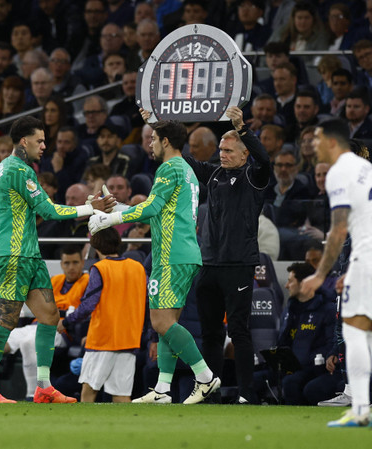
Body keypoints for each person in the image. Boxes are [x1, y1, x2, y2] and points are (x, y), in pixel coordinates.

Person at [0, 116, 115, 404]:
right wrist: (90, 208)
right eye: (39, 140)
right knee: (6, 320)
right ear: (23, 141)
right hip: (14, 255)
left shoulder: (10, 169)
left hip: (29, 254)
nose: (44, 145)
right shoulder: (18, 170)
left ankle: (43, 386)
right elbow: (49, 211)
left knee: (50, 317)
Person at [89, 113, 220, 405]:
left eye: (152, 138)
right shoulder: (184, 169)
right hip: (183, 252)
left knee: (161, 322)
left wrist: (111, 218)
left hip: (171, 254)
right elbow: (158, 208)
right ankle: (162, 389)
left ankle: (205, 377)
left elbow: (150, 209)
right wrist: (117, 208)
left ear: (165, 141)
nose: (148, 143)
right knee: (167, 322)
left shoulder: (168, 168)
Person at [301, 119, 372, 427]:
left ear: (334, 142)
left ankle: (360, 408)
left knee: (354, 332)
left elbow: (338, 230)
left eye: (318, 138)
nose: (313, 145)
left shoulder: (339, 172)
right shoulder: (368, 170)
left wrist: (321, 274)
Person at [180, 107, 271, 404]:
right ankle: (210, 392)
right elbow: (182, 162)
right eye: (221, 148)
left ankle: (246, 393)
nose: (223, 154)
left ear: (245, 154)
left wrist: (242, 128)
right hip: (209, 264)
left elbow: (265, 160)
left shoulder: (254, 177)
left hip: (238, 265)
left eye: (229, 150)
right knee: (210, 335)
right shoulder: (215, 174)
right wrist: (161, 129)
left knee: (239, 331)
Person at [0, 245, 90, 400]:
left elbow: (87, 309)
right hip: (33, 325)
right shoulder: (54, 280)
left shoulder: (87, 281)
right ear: (61, 264)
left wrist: (66, 320)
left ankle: (32, 394)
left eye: (75, 262)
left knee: (30, 342)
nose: (71, 267)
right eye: (67, 263)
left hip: (60, 330)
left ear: (83, 263)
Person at [58, 228, 147, 403]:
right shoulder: (138, 267)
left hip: (104, 339)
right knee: (121, 395)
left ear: (95, 246)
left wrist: (66, 322)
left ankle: (84, 429)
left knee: (88, 390)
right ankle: (127, 430)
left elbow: (88, 305)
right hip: (129, 338)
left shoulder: (100, 268)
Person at [277, 262, 339, 405]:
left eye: (290, 281)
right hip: (290, 366)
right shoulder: (289, 309)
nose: (286, 286)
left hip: (315, 368)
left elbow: (331, 344)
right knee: (253, 379)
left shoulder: (328, 309)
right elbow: (283, 341)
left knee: (292, 383)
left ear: (304, 283)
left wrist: (306, 360)